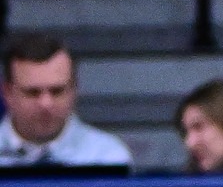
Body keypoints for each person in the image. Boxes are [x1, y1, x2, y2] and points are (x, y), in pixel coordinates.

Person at [0, 34, 130, 168]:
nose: (46, 104)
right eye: (33, 92)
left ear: (75, 89)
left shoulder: (106, 157)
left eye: (57, 91)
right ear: (7, 93)